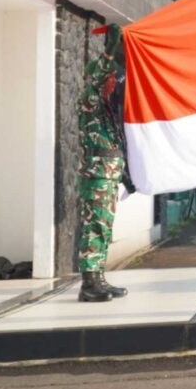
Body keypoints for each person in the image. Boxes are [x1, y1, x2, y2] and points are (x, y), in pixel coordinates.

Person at [77, 24, 136, 302]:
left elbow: (116, 148)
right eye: (109, 79)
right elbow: (97, 80)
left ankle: (98, 277)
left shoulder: (109, 115)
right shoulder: (89, 103)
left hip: (108, 177)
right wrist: (110, 55)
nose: (113, 82)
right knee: (95, 227)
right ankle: (89, 284)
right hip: (96, 178)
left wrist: (126, 176)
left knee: (105, 228)